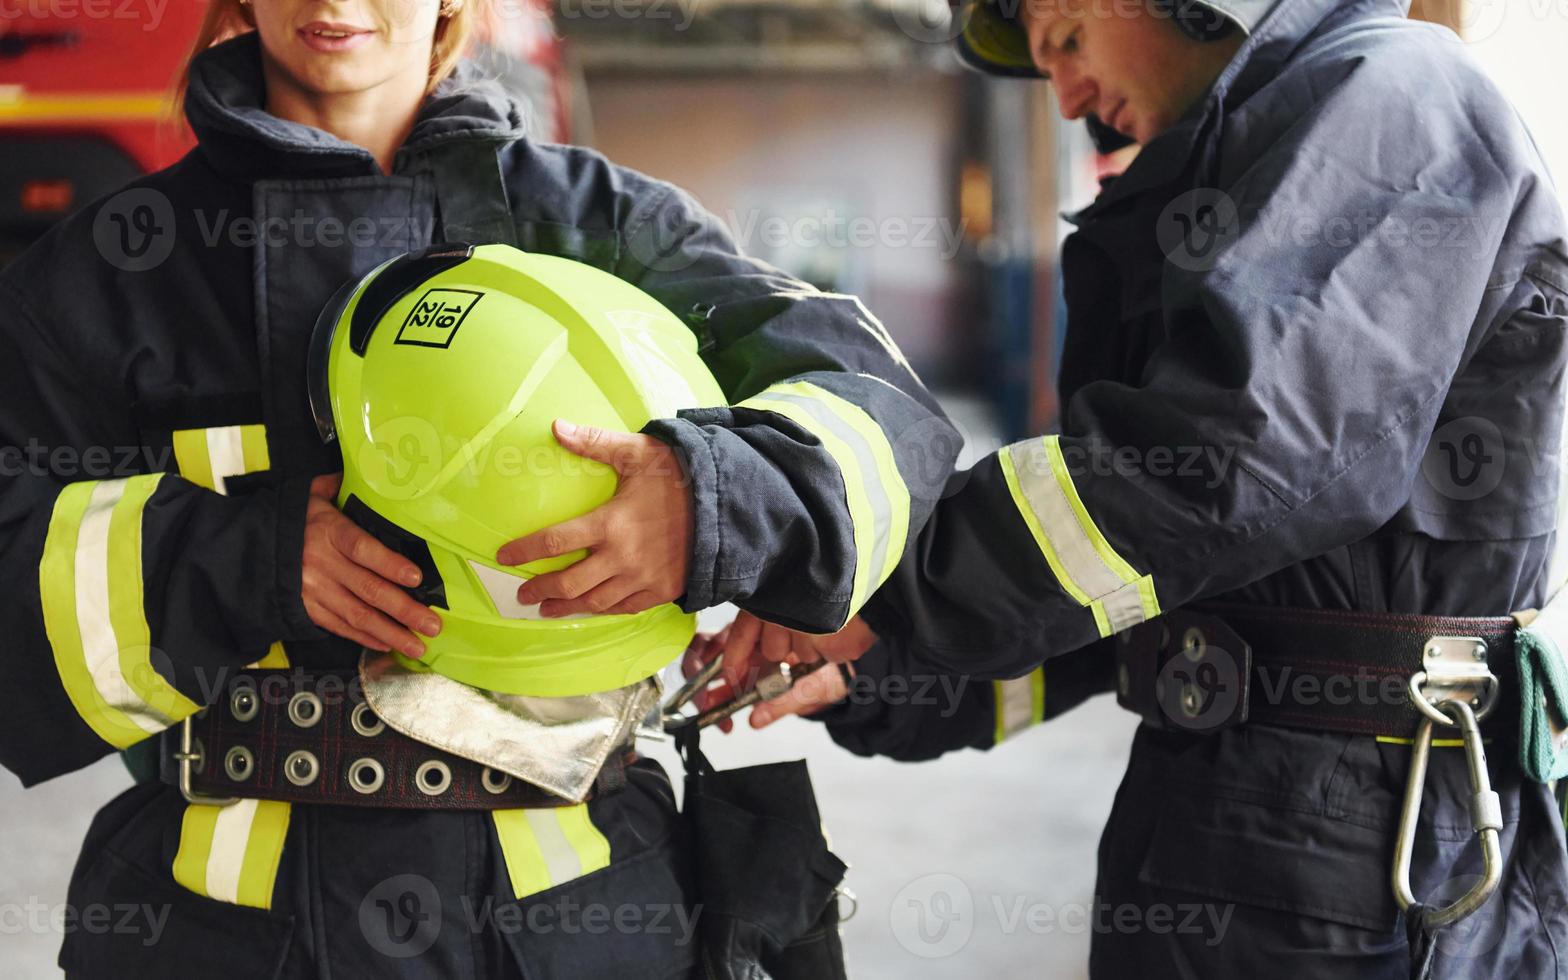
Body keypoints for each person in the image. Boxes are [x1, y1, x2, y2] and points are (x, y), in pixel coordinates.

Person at [0, 0, 959, 975]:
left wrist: (712, 498)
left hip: (580, 931)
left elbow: (882, 407)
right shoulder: (120, 268)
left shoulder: (600, 223)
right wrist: (243, 560)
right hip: (212, 935)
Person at [688, 0, 1568, 976]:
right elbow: (1130, 588)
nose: (1063, 92)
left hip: (1353, 825)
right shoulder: (1245, 162)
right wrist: (873, 668)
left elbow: (1228, 458)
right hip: (1246, 810)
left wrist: (890, 590)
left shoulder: (1390, 90)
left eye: (1067, 38)